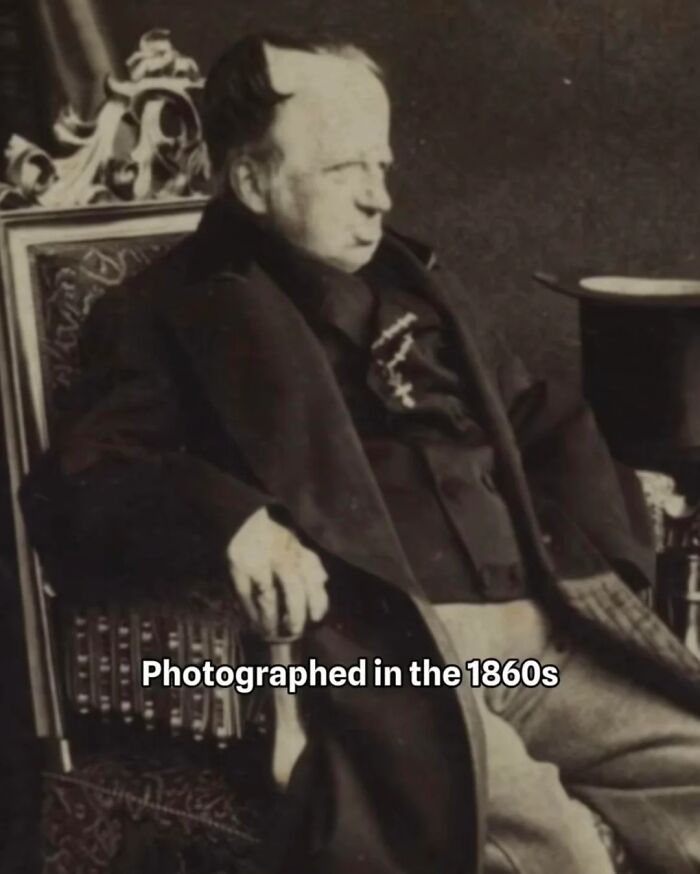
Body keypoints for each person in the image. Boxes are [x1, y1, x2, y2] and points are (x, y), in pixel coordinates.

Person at [21, 32, 700, 874]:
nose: (379, 199)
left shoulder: (416, 281)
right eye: (346, 172)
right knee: (560, 856)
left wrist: (607, 584)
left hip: (544, 641)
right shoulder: (169, 311)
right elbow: (84, 482)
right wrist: (236, 524)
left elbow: (539, 414)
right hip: (383, 669)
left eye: (381, 167)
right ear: (252, 181)